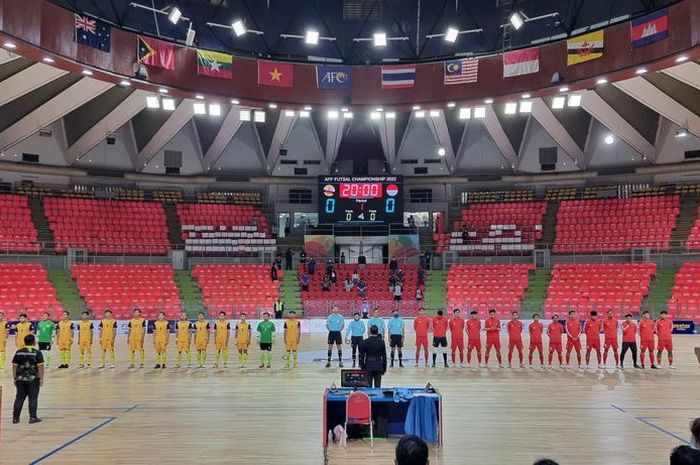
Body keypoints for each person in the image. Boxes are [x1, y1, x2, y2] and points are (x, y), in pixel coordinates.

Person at [12, 334, 44, 424]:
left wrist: (15, 377)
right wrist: (41, 378)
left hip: (20, 378)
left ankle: (15, 418)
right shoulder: (37, 353)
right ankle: (32, 417)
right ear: (33, 342)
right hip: (32, 379)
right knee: (33, 398)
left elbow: (14, 366)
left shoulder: (18, 352)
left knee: (19, 398)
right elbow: (40, 366)